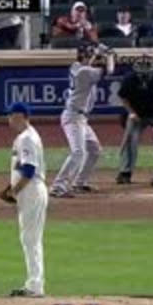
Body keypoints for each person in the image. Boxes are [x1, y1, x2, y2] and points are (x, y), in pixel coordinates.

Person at [50, 41, 116, 198]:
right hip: (73, 117)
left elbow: (92, 65)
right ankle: (58, 186)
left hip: (80, 118)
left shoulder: (77, 67)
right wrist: (110, 55)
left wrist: (100, 53)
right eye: (89, 54)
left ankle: (79, 182)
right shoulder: (84, 72)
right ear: (83, 56)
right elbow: (109, 70)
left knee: (94, 150)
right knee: (78, 152)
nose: (92, 57)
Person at [0, 102, 49, 298]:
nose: (10, 119)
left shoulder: (27, 138)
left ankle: (35, 286)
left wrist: (13, 192)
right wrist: (10, 188)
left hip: (31, 191)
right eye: (9, 116)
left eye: (13, 116)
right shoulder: (26, 136)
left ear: (22, 117)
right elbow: (22, 168)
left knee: (30, 239)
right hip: (29, 191)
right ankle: (34, 284)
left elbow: (29, 170)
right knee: (30, 238)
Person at [115, 55, 153, 184]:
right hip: (137, 114)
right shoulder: (129, 80)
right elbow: (123, 98)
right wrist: (132, 113)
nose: (143, 75)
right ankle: (125, 172)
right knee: (130, 139)